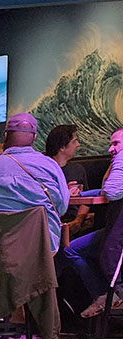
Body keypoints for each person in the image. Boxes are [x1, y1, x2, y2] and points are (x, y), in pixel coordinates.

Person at [0, 112, 69, 252]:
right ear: (35, 137)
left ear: (5, 136)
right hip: (39, 250)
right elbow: (62, 208)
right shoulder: (51, 166)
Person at [61, 127, 123, 316]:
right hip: (113, 227)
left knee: (109, 257)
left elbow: (112, 192)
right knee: (71, 249)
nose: (110, 149)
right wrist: (80, 194)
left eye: (115, 144)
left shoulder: (121, 160)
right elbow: (108, 191)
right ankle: (105, 296)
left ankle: (118, 294)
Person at [45, 124, 90, 237]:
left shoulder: (78, 169)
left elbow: (86, 200)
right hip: (48, 224)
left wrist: (78, 221)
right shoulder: (43, 170)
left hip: (73, 223)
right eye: (74, 141)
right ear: (62, 147)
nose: (78, 145)